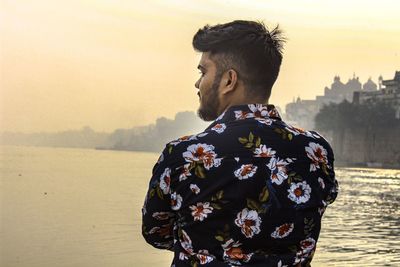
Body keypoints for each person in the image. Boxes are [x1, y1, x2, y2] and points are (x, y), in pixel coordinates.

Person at [142, 20, 338, 266]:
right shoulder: (316, 152)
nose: (197, 83)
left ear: (229, 80)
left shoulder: (183, 155)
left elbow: (155, 233)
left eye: (203, 72)